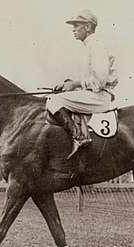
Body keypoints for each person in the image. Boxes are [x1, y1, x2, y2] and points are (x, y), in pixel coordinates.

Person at [46, 9, 118, 159]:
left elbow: (99, 80)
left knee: (53, 101)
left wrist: (75, 84)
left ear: (88, 27)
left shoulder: (96, 45)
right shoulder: (88, 47)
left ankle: (78, 137)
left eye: (77, 25)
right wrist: (69, 84)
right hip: (93, 94)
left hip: (99, 96)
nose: (73, 29)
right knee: (57, 96)